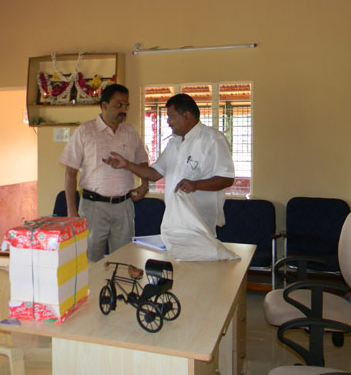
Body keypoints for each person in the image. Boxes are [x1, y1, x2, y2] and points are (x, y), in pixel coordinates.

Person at [104, 93, 234, 235]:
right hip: (174, 222)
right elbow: (154, 174)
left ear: (186, 116)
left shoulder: (213, 139)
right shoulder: (174, 142)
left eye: (171, 116)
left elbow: (227, 178)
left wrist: (196, 185)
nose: (168, 122)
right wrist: (127, 164)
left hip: (202, 224)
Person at [59, 83, 149, 262]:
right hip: (93, 207)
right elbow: (70, 172)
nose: (123, 110)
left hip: (124, 206)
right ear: (104, 105)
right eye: (119, 105)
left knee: (123, 260)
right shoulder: (85, 131)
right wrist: (71, 210)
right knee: (89, 260)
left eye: (126, 105)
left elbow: (143, 163)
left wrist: (145, 184)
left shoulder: (130, 133)